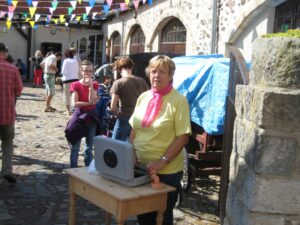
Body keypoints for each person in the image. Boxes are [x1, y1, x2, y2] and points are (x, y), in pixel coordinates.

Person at [129, 55, 191, 225]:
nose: (156, 75)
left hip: (165, 173)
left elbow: (182, 138)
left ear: (170, 75)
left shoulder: (179, 101)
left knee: (161, 219)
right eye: (153, 71)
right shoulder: (143, 97)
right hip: (141, 169)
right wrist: (130, 151)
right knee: (143, 215)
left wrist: (161, 162)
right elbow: (134, 129)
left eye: (162, 72)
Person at [65, 60, 99, 168]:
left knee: (89, 148)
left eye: (90, 71)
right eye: (85, 71)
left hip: (91, 118)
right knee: (75, 147)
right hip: (79, 118)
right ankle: (73, 170)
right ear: (81, 71)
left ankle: (88, 171)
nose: (88, 73)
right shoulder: (75, 84)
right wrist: (89, 103)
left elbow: (93, 99)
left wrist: (90, 87)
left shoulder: (95, 84)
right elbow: (75, 103)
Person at [110, 56, 149, 141]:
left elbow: (112, 107)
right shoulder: (142, 81)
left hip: (124, 117)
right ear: (131, 67)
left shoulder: (118, 83)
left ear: (119, 69)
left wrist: (117, 114)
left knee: (115, 146)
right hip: (139, 118)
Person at [0, 42, 23, 183]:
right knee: (7, 142)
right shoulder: (13, 69)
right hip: (7, 113)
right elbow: (19, 91)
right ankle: (7, 170)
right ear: (5, 53)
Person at [61, 49, 80, 115]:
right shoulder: (75, 60)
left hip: (67, 79)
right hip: (75, 79)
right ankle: (75, 108)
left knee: (67, 95)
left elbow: (63, 71)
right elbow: (78, 69)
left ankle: (68, 110)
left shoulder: (66, 61)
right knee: (74, 95)